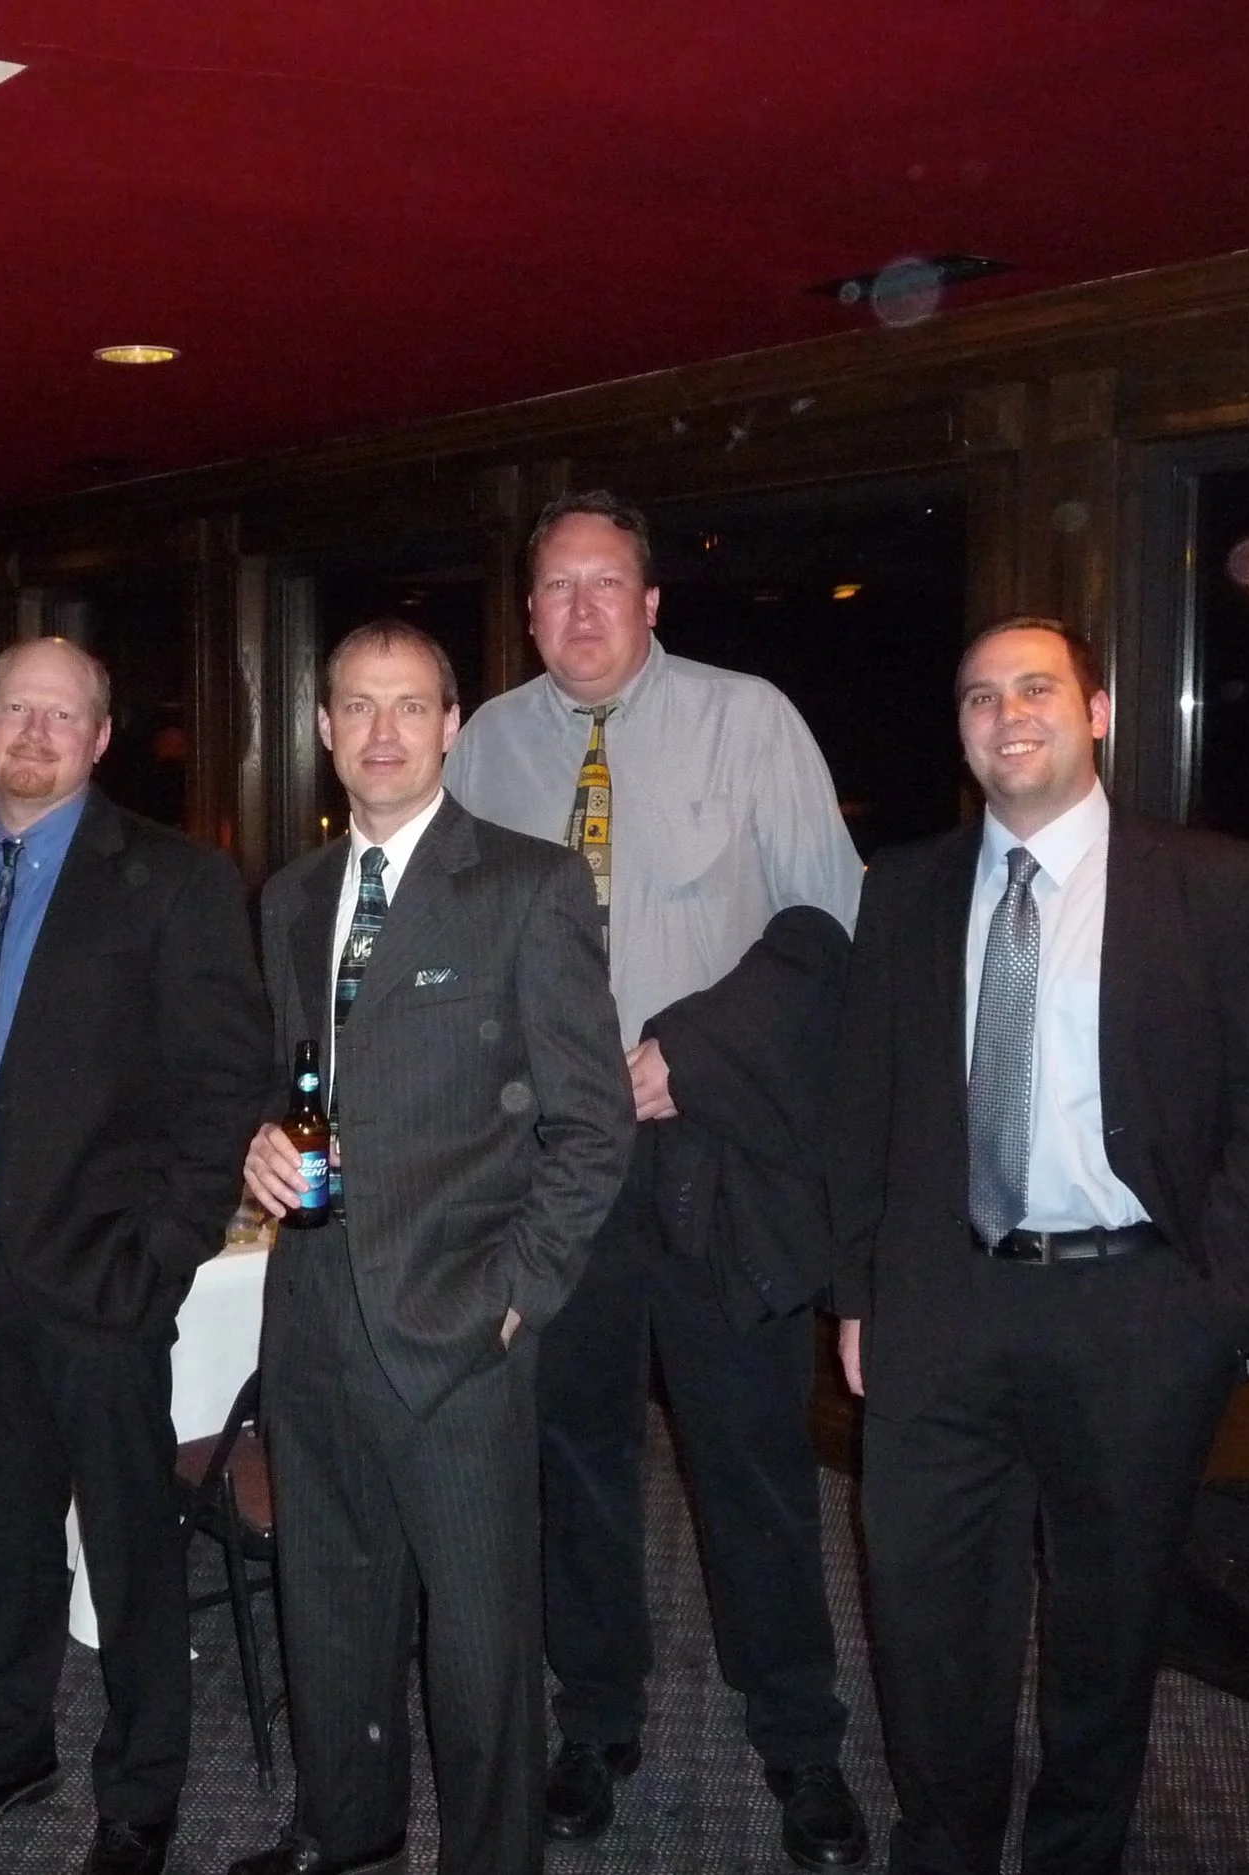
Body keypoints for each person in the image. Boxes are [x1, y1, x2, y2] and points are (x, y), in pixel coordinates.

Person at [829, 617, 1249, 1875]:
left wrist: (1222, 1303)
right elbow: (866, 1106)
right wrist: (858, 1292)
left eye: (1035, 687)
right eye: (980, 695)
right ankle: (945, 1843)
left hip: (1137, 1312)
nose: (1008, 714)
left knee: (1107, 1630)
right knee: (927, 1616)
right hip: (941, 1304)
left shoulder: (1216, 883)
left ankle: (1073, 1851)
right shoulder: (905, 888)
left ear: (1096, 712)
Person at [443, 490, 871, 1868]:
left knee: (752, 1459)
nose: (580, 610)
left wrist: (694, 1051)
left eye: (606, 583)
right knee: (576, 1457)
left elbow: (827, 930)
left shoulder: (751, 719)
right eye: (555, 588)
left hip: (709, 1153)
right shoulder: (490, 744)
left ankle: (800, 1738)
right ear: (526, 612)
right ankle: (597, 1716)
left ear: (652, 600)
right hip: (549, 1166)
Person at [0, 635, 271, 1875]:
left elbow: (221, 1082)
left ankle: (141, 1790)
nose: (34, 734)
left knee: (133, 1552)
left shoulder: (176, 881)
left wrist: (161, 1257)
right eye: (14, 710)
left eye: (62, 716)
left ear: (98, 740)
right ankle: (7, 1746)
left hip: (103, 1278)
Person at [228, 620, 632, 1875]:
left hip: (460, 1326)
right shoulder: (291, 898)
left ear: (452, 726)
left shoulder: (527, 885)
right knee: (330, 1603)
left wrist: (513, 1302)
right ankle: (344, 1828)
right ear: (323, 730)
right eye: (359, 706)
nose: (384, 731)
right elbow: (298, 1084)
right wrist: (257, 1144)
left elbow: (590, 1127)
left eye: (411, 706)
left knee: (478, 1644)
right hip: (310, 1311)